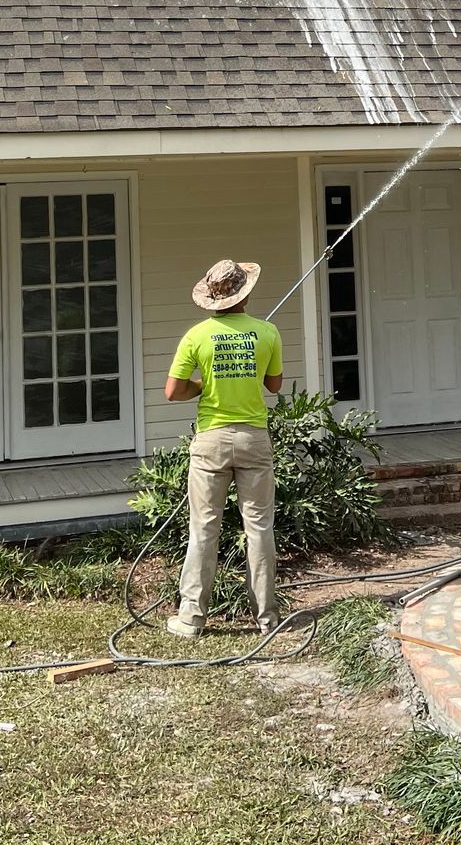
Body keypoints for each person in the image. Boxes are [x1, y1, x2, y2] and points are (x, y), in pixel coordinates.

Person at [163, 258, 285, 638]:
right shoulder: (267, 332)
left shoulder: (196, 336)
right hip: (253, 439)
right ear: (244, 293)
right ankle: (267, 618)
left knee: (203, 528)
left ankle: (192, 618)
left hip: (212, 440)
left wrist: (202, 385)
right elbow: (275, 385)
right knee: (260, 529)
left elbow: (173, 391)